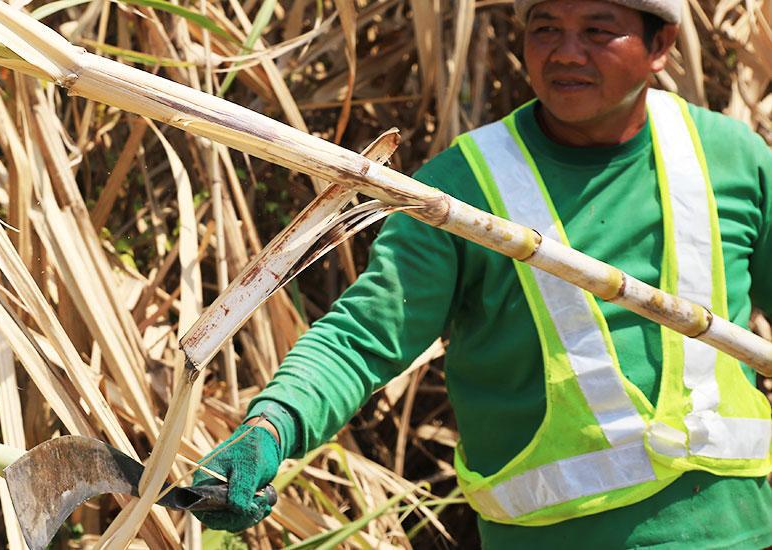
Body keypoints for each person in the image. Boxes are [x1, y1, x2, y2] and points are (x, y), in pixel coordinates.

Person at [190, 0, 772, 547]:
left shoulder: (732, 158)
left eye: (598, 31)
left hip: (737, 529)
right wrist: (271, 427)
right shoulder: (460, 191)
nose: (566, 52)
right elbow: (362, 337)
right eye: (545, 28)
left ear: (661, 44)